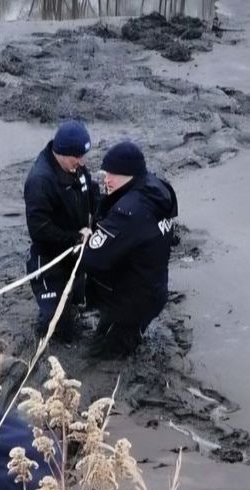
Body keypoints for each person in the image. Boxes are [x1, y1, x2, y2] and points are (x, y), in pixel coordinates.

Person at [81, 141, 178, 358]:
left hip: (128, 303)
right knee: (127, 336)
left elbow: (93, 259)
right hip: (153, 288)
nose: (106, 179)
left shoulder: (128, 212)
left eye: (112, 174)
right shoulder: (159, 189)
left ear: (128, 174)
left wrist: (88, 240)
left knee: (104, 355)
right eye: (106, 173)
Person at [23, 120, 99, 341]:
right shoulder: (40, 181)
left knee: (78, 303)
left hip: (75, 254)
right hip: (50, 261)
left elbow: (91, 193)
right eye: (77, 157)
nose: (82, 162)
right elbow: (39, 230)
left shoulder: (75, 166)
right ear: (62, 153)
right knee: (54, 325)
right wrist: (75, 238)